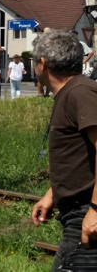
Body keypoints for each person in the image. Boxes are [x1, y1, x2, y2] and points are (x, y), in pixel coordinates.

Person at [30, 30, 97, 272]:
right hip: (76, 212)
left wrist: (95, 210)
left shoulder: (80, 93)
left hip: (86, 212)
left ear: (43, 63)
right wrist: (52, 194)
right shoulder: (72, 92)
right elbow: (81, 154)